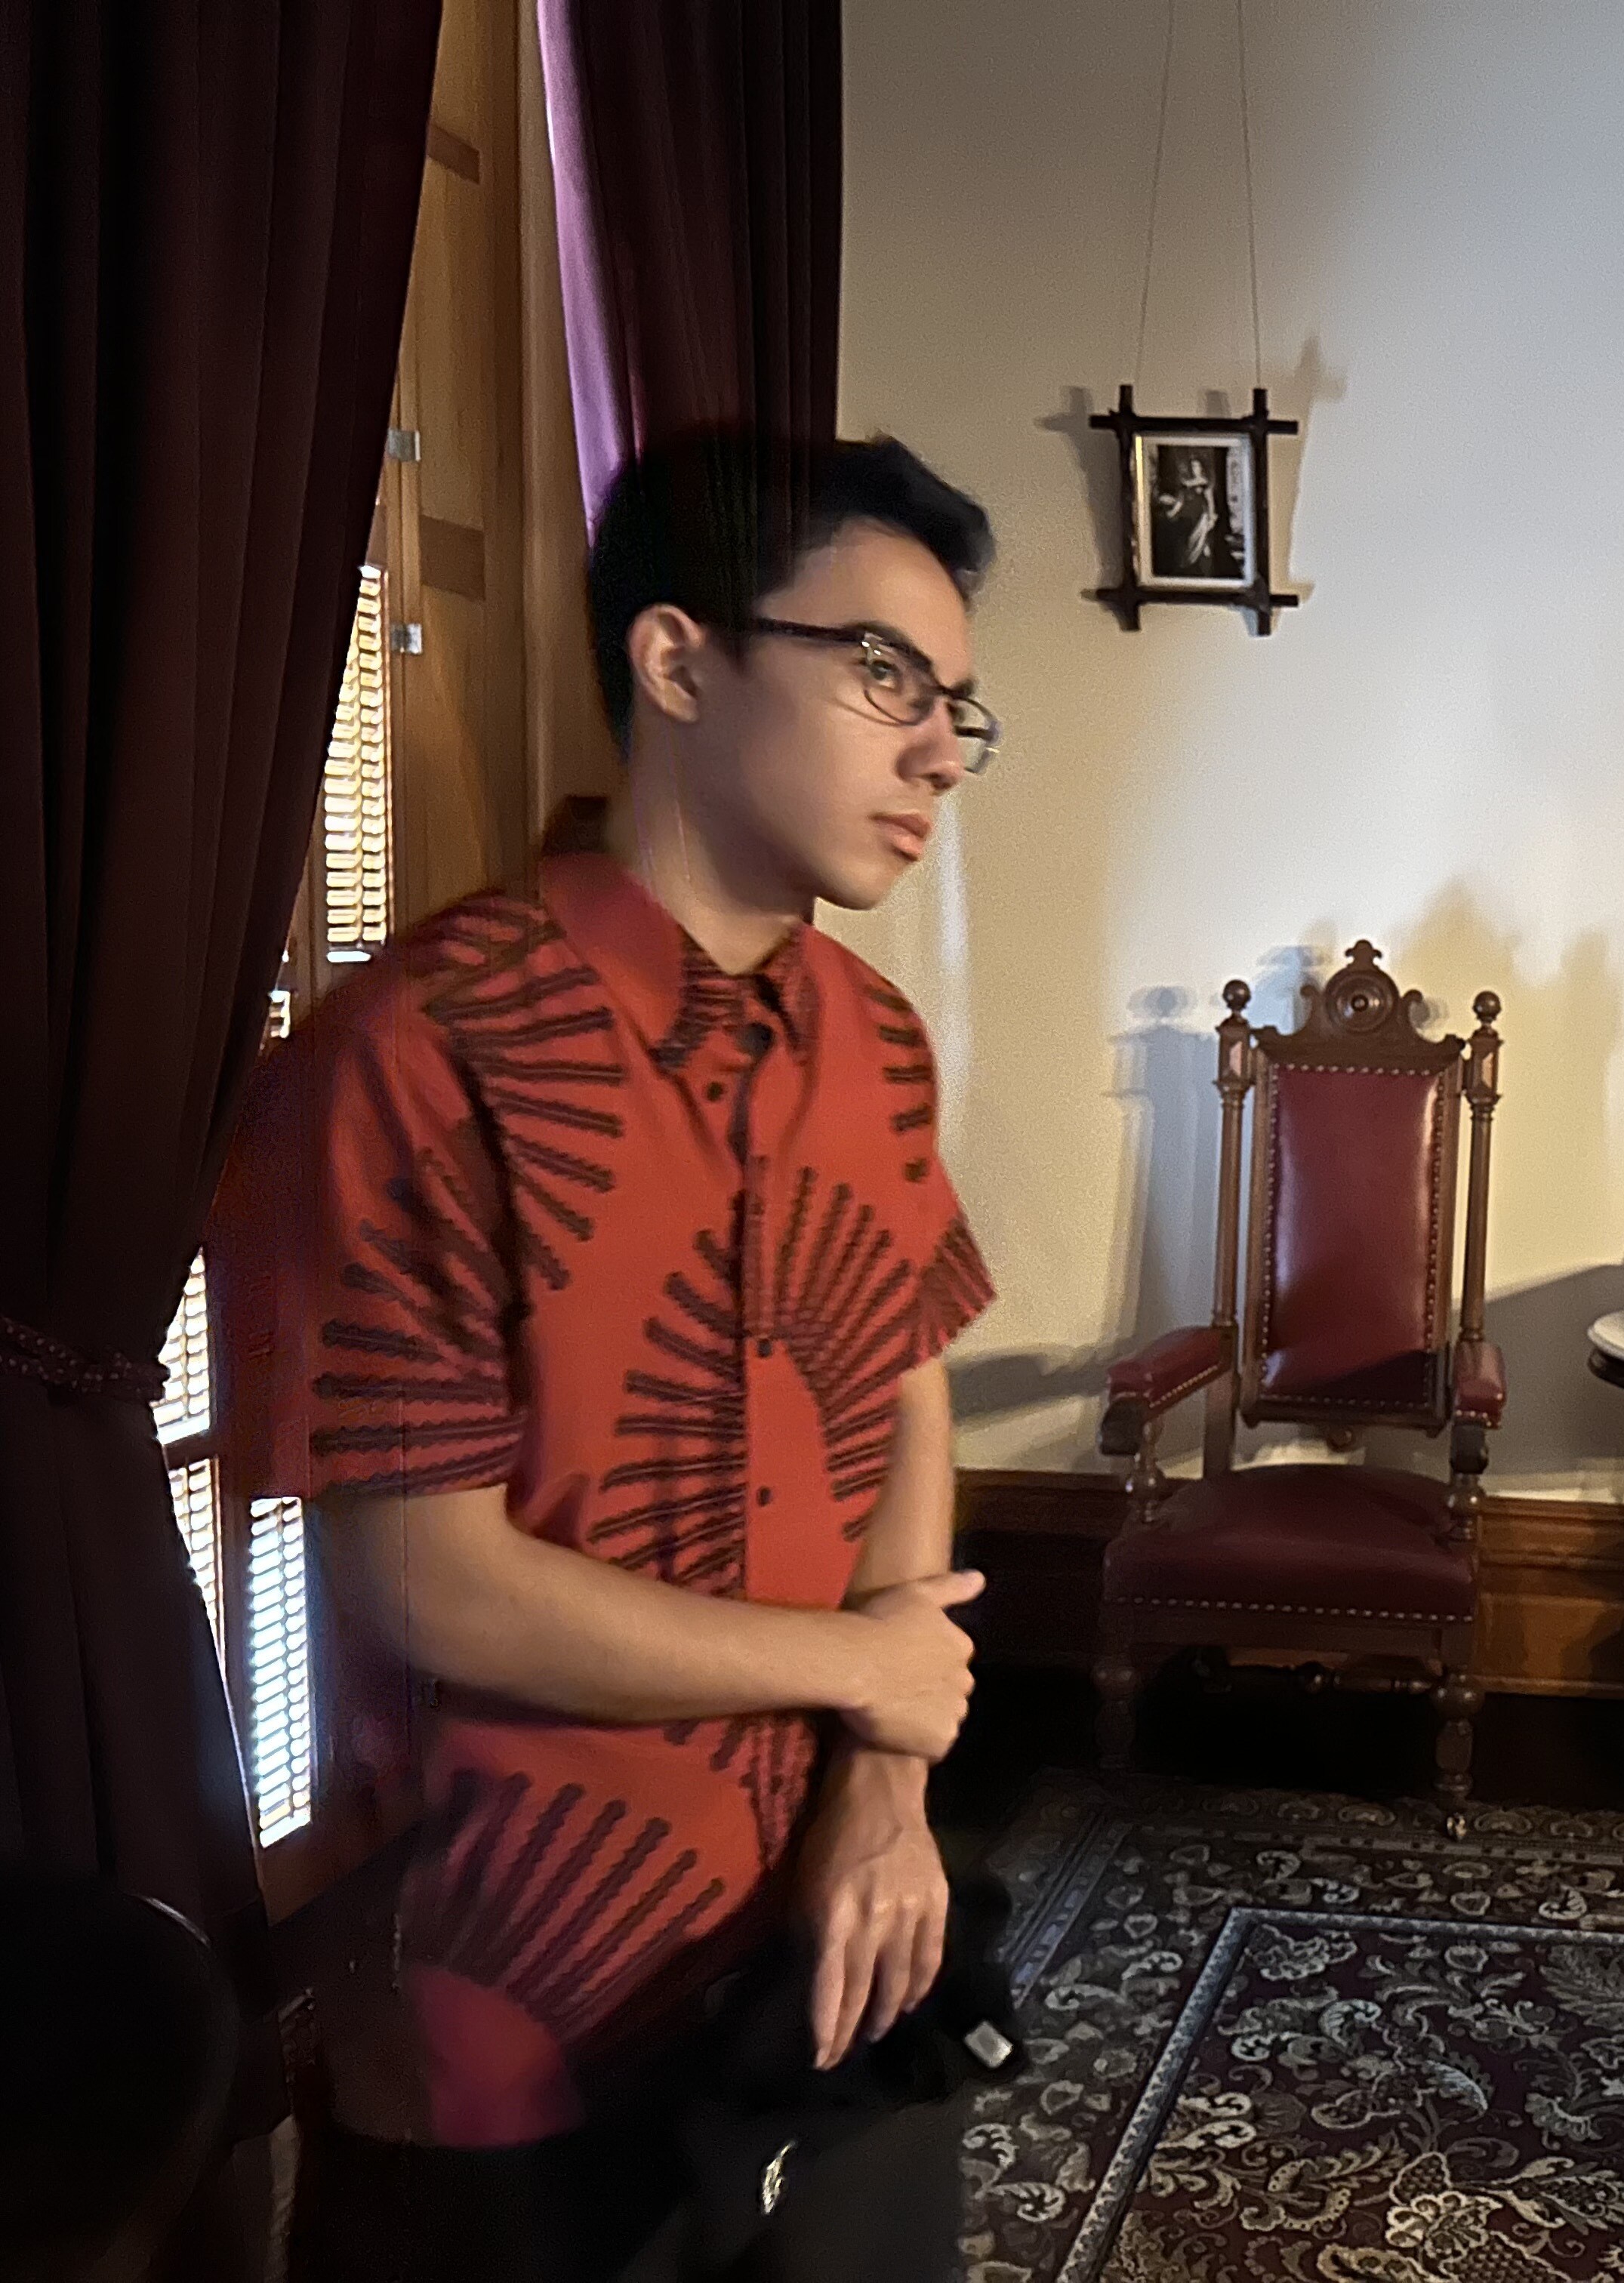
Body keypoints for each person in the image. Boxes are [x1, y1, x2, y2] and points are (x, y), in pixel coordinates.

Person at [211, 428, 1007, 2278]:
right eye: (885, 674)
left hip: (816, 1921)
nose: (940, 749)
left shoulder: (872, 1042)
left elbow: (902, 1376)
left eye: (961, 702)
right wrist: (864, 1666)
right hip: (509, 1991)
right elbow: (429, 1582)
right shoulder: (419, 1052)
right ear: (678, 661)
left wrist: (885, 1786)